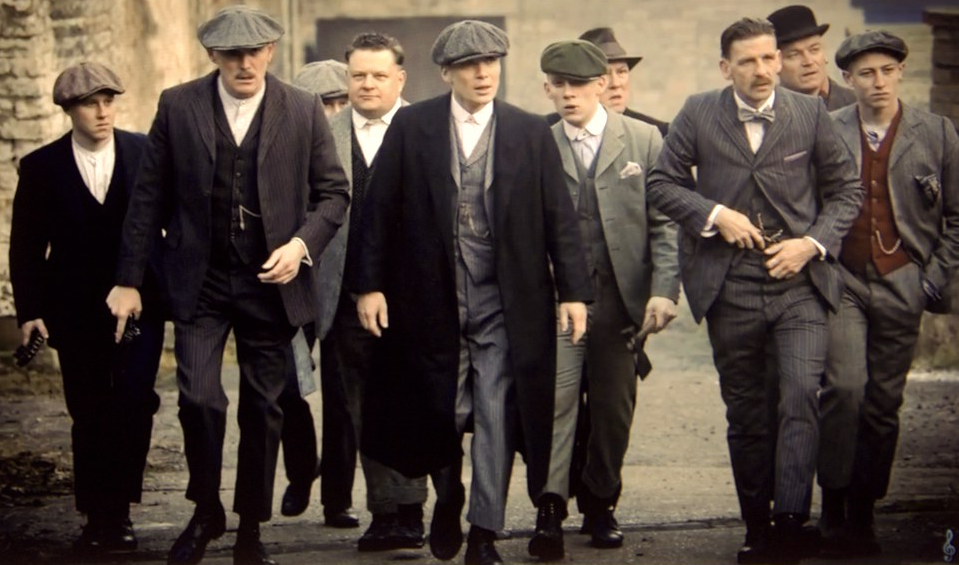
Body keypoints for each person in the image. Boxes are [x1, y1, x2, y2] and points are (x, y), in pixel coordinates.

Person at [106, 6, 350, 565]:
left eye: (254, 52)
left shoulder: (302, 107)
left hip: (272, 282)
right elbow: (147, 198)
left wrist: (300, 246)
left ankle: (250, 528)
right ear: (212, 56)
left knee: (262, 408)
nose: (245, 64)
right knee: (198, 398)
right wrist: (128, 280)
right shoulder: (178, 104)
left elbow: (333, 194)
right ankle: (206, 509)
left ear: (270, 52)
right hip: (201, 279)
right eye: (232, 54)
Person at [350, 20, 592, 565]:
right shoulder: (413, 125)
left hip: (505, 301)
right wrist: (369, 286)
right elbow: (379, 209)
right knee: (442, 408)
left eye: (491, 63)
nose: (483, 74)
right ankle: (448, 496)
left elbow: (559, 217)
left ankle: (484, 530)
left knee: (495, 412)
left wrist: (574, 292)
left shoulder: (529, 132)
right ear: (446, 73)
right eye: (469, 65)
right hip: (429, 299)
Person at [646, 17, 862, 563]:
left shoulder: (809, 113)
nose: (763, 70)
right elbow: (661, 183)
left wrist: (810, 244)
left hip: (799, 284)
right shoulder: (699, 112)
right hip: (729, 287)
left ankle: (790, 519)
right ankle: (756, 527)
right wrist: (715, 214)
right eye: (748, 61)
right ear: (727, 68)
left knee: (799, 395)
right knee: (745, 411)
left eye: (769, 58)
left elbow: (846, 191)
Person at [9, 62, 166, 558]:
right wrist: (30, 311)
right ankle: (100, 516)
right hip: (74, 310)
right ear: (68, 110)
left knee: (135, 399)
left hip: (140, 305)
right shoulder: (41, 167)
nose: (102, 112)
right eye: (89, 104)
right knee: (90, 407)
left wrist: (163, 284)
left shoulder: (145, 152)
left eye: (108, 101)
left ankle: (119, 509)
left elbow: (172, 224)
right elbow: (26, 246)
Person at [530, 40, 679, 561]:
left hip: (621, 301)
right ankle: (550, 508)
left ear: (601, 84)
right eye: (558, 85)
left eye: (578, 84)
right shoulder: (538, 142)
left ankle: (601, 502)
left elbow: (664, 223)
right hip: (558, 301)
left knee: (614, 408)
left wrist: (663, 289)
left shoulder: (643, 139)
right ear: (547, 88)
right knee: (557, 403)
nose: (568, 94)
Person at [818, 31, 959, 557]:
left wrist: (930, 279)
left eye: (886, 70)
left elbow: (957, 217)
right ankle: (833, 502)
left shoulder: (936, 132)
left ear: (900, 71)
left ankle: (864, 509)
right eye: (865, 73)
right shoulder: (828, 128)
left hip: (903, 279)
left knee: (882, 404)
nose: (877, 82)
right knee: (844, 388)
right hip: (843, 280)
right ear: (848, 79)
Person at [314, 32, 430, 551]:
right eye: (358, 75)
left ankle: (414, 509)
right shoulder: (324, 135)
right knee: (364, 405)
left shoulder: (427, 130)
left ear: (399, 79)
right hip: (345, 294)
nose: (367, 84)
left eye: (379, 75)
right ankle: (386, 513)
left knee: (414, 400)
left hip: (416, 296)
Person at [274, 58, 358, 527]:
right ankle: (303, 468)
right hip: (293, 282)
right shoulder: (281, 145)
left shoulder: (366, 143)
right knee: (284, 384)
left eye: (342, 102)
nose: (334, 113)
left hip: (345, 283)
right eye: (324, 104)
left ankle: (338, 498)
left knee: (343, 395)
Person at [545, 28, 669, 137]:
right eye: (605, 74)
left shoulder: (653, 134)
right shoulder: (546, 131)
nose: (616, 84)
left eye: (621, 72)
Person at [767, 5, 856, 111]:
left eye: (814, 50)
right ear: (776, 64)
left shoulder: (858, 104)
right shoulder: (765, 111)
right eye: (794, 55)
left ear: (824, 55)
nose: (808, 62)